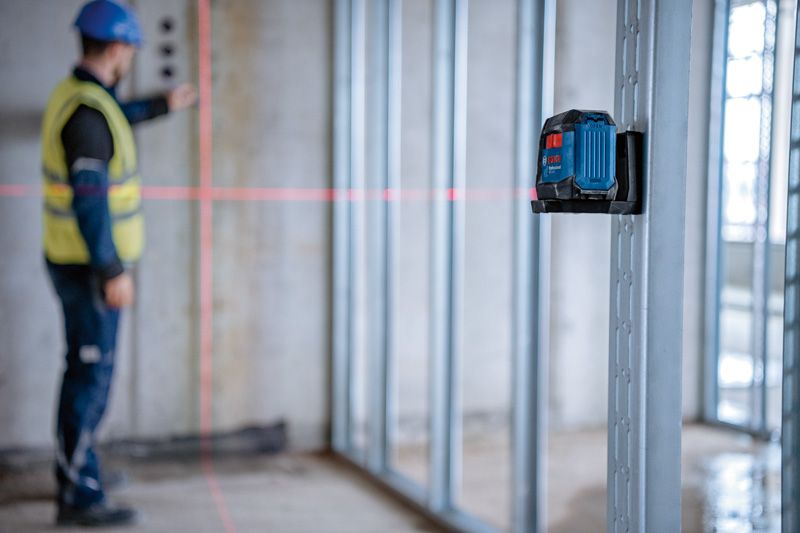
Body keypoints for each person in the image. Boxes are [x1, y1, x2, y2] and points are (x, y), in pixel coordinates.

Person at [41, 0, 197, 526]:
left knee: (88, 374)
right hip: (88, 270)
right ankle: (77, 494)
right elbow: (90, 202)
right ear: (116, 48)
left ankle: (80, 467)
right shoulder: (87, 115)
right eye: (131, 47)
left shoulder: (84, 97)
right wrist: (111, 271)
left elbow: (116, 117)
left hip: (76, 263)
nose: (132, 56)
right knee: (91, 378)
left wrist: (161, 105)